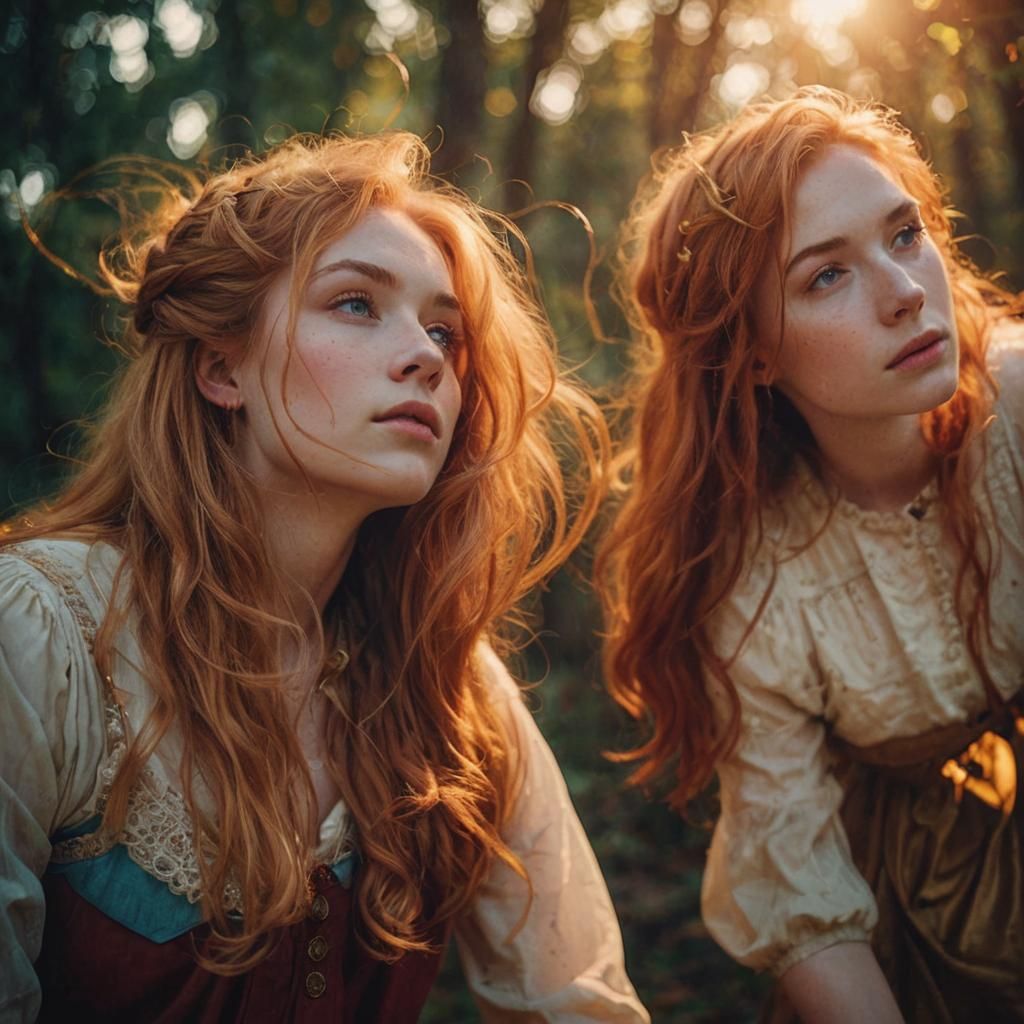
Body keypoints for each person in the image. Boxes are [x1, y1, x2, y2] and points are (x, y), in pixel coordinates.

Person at [0, 132, 649, 1023]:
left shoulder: (451, 685)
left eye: (444, 330)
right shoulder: (44, 633)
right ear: (221, 368)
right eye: (355, 303)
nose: (427, 355)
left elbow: (577, 1001)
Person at [597, 86, 1023, 1023]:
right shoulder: (750, 576)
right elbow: (795, 883)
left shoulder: (1019, 406)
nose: (906, 291)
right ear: (752, 353)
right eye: (826, 276)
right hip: (907, 918)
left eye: (905, 234)